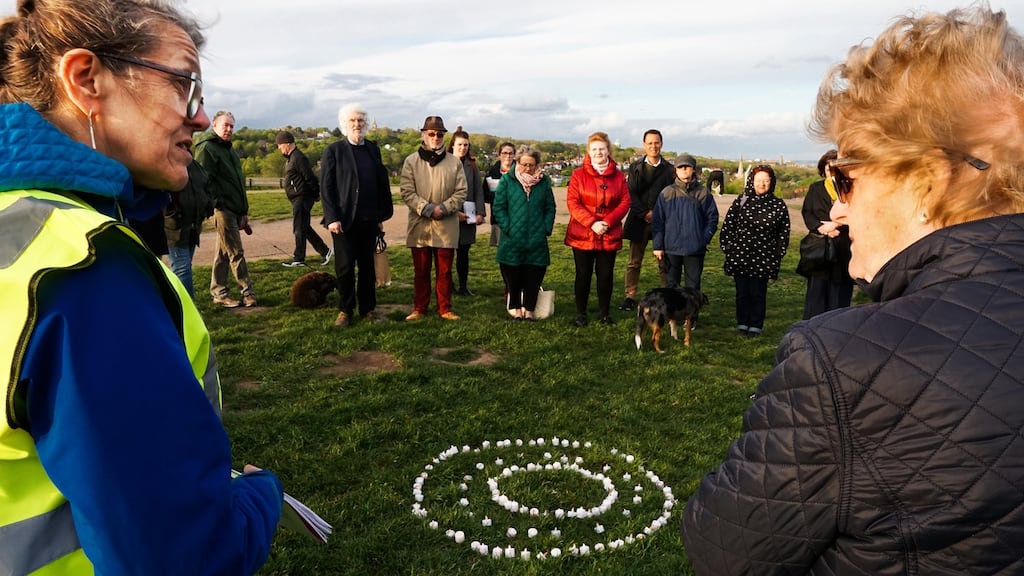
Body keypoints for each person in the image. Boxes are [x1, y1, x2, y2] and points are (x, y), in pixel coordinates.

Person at [683, 5, 1024, 574]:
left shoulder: (842, 364)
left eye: (847, 177)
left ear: (926, 181)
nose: (840, 206)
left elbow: (724, 551)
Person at [0, 1, 284, 573]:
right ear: (86, 81)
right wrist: (260, 495)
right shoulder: (83, 267)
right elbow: (186, 557)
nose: (199, 118)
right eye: (183, 84)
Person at [320, 103, 394, 327]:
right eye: (352, 120)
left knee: (367, 268)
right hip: (343, 221)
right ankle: (345, 310)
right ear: (345, 124)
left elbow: (380, 183)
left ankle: (368, 309)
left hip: (369, 219)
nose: (357, 124)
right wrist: (332, 217)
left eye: (361, 120)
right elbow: (327, 187)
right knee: (344, 268)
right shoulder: (334, 151)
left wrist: (381, 216)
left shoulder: (373, 149)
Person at [399, 115, 467, 321]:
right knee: (421, 271)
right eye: (431, 133)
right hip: (420, 224)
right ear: (423, 135)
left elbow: (461, 191)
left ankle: (445, 308)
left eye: (439, 134)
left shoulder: (454, 162)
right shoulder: (411, 161)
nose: (435, 137)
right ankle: (420, 308)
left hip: (446, 225)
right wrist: (427, 209)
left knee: (445, 272)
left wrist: (444, 208)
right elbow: (406, 191)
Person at [564, 131, 631, 326]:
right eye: (594, 149)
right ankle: (581, 313)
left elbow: (625, 202)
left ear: (608, 150)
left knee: (605, 275)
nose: (598, 152)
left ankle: (604, 313)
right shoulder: (578, 175)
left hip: (609, 233)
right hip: (583, 233)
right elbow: (573, 202)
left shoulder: (619, 176)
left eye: (602, 149)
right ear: (588, 151)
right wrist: (592, 223)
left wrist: (608, 222)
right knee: (582, 274)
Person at [718, 164, 790, 337]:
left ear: (771, 182)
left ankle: (756, 325)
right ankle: (742, 323)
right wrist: (728, 247)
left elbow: (783, 234)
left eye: (766, 180)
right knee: (742, 293)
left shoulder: (778, 205)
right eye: (759, 180)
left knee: (758, 293)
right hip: (741, 255)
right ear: (752, 181)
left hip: (764, 257)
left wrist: (777, 256)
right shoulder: (742, 200)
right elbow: (728, 225)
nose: (762, 184)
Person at [195, 110, 257, 307]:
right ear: (214, 125)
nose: (229, 129)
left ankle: (219, 291)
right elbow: (203, 180)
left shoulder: (229, 150)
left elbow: (237, 182)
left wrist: (243, 211)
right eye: (225, 125)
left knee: (223, 252)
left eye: (232, 126)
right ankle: (247, 292)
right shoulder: (207, 148)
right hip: (222, 209)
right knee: (236, 252)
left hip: (235, 209)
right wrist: (217, 203)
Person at [651, 153, 719, 325]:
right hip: (671, 247)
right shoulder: (667, 193)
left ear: (693, 170)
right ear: (676, 170)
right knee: (671, 287)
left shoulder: (703, 193)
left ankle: (691, 320)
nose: (684, 170)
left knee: (693, 287)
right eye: (680, 167)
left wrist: (703, 239)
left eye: (687, 167)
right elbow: (658, 221)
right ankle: (671, 318)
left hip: (694, 249)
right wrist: (658, 246)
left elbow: (712, 218)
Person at [493, 145, 556, 320]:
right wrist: (508, 227)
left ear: (537, 165)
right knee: (513, 277)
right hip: (512, 239)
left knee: (533, 276)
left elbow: (550, 207)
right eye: (524, 165)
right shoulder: (507, 181)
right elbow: (499, 207)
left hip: (537, 239)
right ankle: (516, 310)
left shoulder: (543, 182)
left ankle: (529, 310)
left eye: (532, 165)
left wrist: (545, 228)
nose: (528, 169)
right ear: (517, 163)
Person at [618, 129, 676, 311]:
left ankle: (666, 296)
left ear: (662, 144)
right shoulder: (635, 168)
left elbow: (670, 195)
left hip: (662, 221)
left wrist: (656, 213)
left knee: (663, 262)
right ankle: (630, 295)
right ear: (644, 145)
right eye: (650, 143)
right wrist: (644, 213)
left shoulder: (669, 169)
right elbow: (631, 193)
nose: (653, 146)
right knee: (634, 261)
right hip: (638, 219)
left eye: (656, 142)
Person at [799, 148, 854, 319]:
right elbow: (807, 211)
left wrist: (836, 224)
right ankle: (813, 323)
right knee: (817, 291)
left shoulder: (849, 187)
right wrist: (821, 228)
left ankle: (837, 324)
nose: (832, 172)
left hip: (843, 247)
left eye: (836, 168)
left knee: (840, 292)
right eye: (829, 168)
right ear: (823, 169)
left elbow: (857, 212)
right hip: (820, 249)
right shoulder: (816, 188)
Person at [276, 129, 332, 268]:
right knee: (304, 227)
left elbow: (310, 177)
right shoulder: (291, 158)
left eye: (279, 146)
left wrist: (315, 194)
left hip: (302, 197)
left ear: (287, 144)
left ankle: (299, 258)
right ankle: (325, 251)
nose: (279, 149)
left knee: (299, 229)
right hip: (298, 198)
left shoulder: (298, 158)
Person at [164, 158, 213, 297]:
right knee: (182, 269)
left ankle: (176, 304)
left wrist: (208, 206)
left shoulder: (194, 165)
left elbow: (207, 186)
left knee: (184, 267)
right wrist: (170, 212)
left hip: (192, 226)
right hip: (174, 228)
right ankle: (187, 309)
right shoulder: (166, 162)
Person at [449, 126, 486, 296]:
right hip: (449, 215)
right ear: (453, 145)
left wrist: (480, 213)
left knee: (464, 253)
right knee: (447, 254)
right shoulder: (445, 163)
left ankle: (463, 286)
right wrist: (453, 213)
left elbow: (478, 189)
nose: (463, 148)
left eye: (465, 145)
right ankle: (447, 286)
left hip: (468, 215)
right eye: (460, 145)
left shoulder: (471, 165)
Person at [486, 141, 515, 248]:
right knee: (501, 251)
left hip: (516, 218)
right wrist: (499, 196)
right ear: (499, 155)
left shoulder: (520, 172)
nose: (507, 156)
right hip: (498, 218)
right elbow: (485, 195)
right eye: (504, 153)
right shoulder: (492, 172)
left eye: (510, 153)